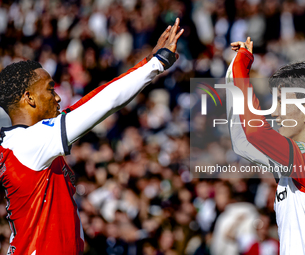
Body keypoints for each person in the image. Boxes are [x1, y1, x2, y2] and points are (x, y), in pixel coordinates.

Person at [0, 18, 184, 255]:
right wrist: (157, 64)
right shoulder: (31, 142)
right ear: (29, 98)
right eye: (49, 88)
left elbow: (84, 105)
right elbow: (103, 103)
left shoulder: (21, 143)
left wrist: (146, 62)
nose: (57, 98)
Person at [227, 37, 305, 254]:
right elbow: (242, 142)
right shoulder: (295, 163)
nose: (274, 112)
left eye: (281, 101)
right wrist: (235, 71)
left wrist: (242, 66)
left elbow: (255, 131)